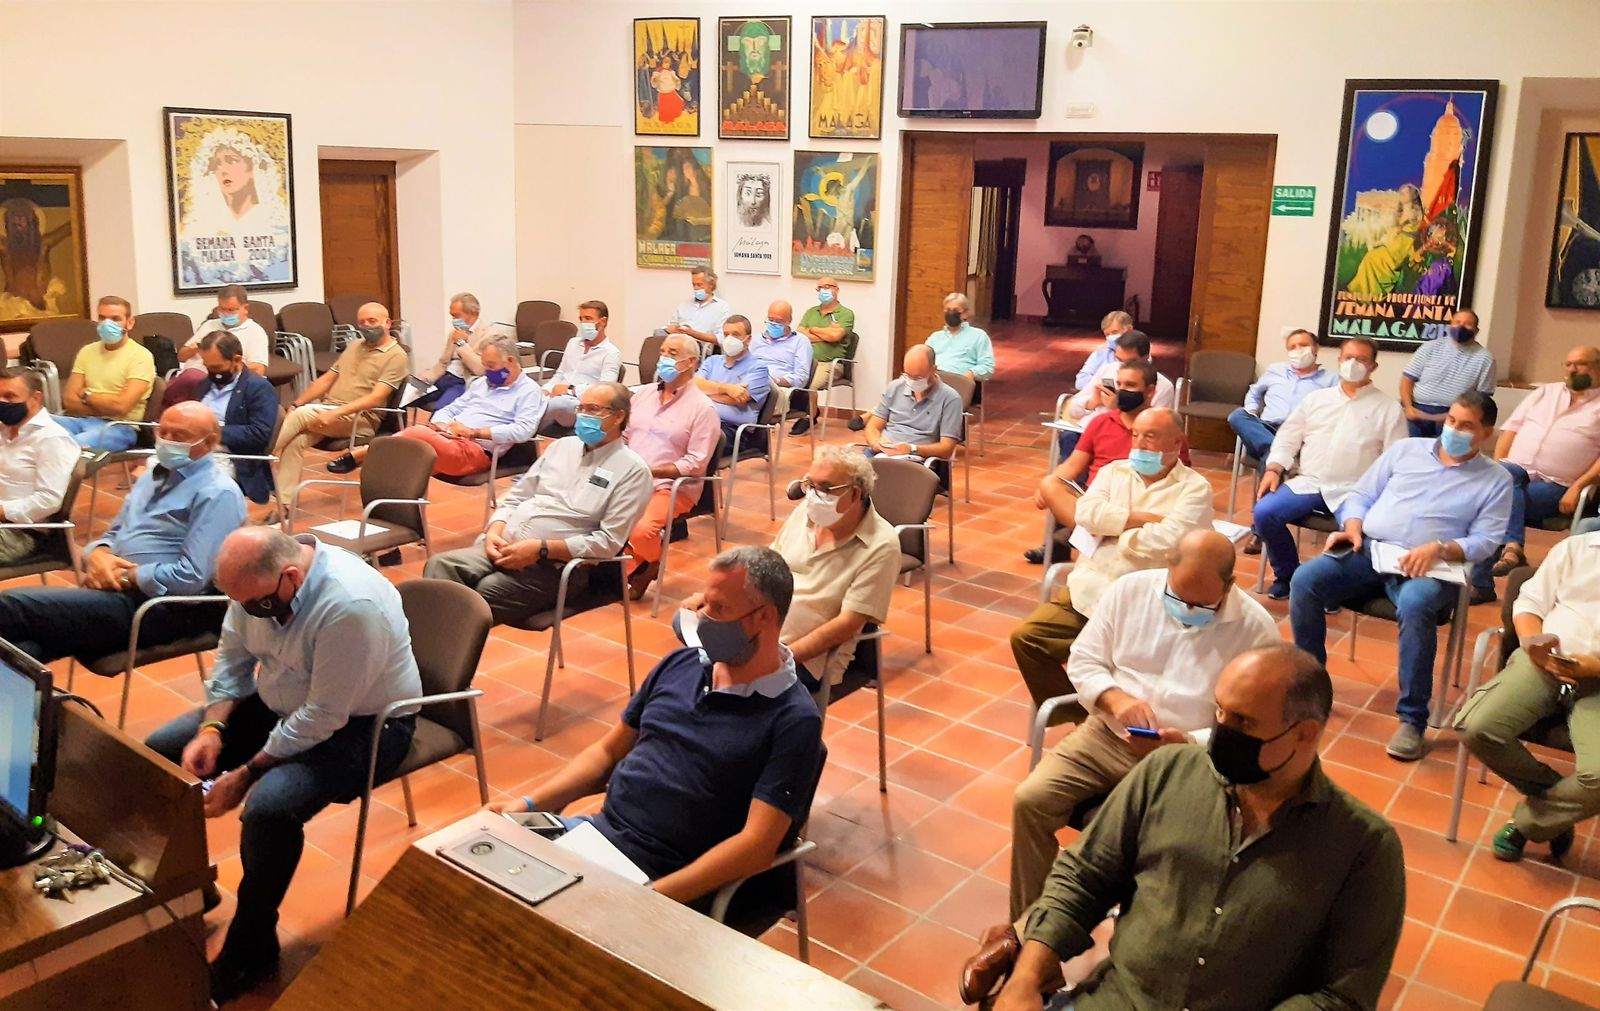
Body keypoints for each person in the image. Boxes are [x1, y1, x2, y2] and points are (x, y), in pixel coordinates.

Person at [965, 644, 1404, 1011]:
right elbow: (1084, 876)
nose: (1222, 730)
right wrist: (1026, 978)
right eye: (1219, 711)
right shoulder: (1167, 772)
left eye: (1243, 722)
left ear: (1305, 734)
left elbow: (1342, 996)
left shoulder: (1363, 848)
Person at [144, 527, 422, 1001]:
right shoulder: (254, 587)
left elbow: (324, 715)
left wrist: (248, 773)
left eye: (255, 603)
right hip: (287, 700)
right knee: (161, 751)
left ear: (291, 576)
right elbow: (231, 662)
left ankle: (251, 947)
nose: (247, 610)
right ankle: (190, 885)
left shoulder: (350, 605)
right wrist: (212, 729)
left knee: (269, 809)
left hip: (370, 724)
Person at [490, 547, 823, 908]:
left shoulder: (794, 720)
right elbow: (607, 753)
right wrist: (525, 805)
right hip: (596, 840)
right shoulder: (681, 664)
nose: (704, 619)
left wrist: (650, 900)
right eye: (704, 604)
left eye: (719, 609)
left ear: (763, 617)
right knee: (477, 869)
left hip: (664, 879)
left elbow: (756, 846)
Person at [1008, 531, 1279, 930]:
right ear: (1168, 567)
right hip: (1108, 738)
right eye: (1178, 597)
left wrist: (1189, 741)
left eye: (1201, 605)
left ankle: (1141, 943)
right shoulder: (1129, 591)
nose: (1186, 611)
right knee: (1030, 801)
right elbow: (1084, 659)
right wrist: (1114, 699)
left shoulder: (1256, 631)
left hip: (1189, 761)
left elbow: (1253, 724)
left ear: (1230, 585)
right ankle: (1026, 935)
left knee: (1163, 845)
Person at [1290, 392, 1513, 761]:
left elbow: (1486, 541)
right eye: (1451, 420)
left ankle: (1412, 719)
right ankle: (1310, 691)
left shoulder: (1496, 479)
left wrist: (1440, 548)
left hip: (1433, 566)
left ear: (1486, 433)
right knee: (1305, 580)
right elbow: (1361, 494)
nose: (1453, 430)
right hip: (1373, 550)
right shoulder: (1406, 450)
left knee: (1414, 602)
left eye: (1466, 426)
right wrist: (1353, 526)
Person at [0, 402, 244, 663]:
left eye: (180, 436)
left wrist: (126, 577)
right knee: (21, 649)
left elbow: (192, 577)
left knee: (10, 607)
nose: (166, 440)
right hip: (116, 594)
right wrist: (97, 555)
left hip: (166, 608)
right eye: (163, 432)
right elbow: (114, 533)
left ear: (210, 442)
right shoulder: (152, 477)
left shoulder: (218, 493)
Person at [1012, 410, 1216, 709]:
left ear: (1177, 442)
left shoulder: (1195, 488)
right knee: (1027, 639)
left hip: (1142, 606)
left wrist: (1112, 532)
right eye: (1136, 435)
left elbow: (1169, 541)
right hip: (1089, 592)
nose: (1140, 444)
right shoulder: (1113, 472)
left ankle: (1111, 714)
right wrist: (1141, 519)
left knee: (1126, 671)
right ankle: (1085, 715)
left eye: (1150, 436)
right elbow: (1086, 514)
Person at [423, 382, 652, 626]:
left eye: (593, 409)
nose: (584, 415)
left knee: (477, 596)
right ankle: (428, 646)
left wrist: (541, 549)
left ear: (618, 417)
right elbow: (517, 496)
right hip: (504, 544)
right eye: (581, 408)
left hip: (556, 566)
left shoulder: (633, 471)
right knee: (440, 567)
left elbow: (608, 542)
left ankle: (440, 644)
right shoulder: (562, 447)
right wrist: (494, 530)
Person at [679, 447, 899, 689]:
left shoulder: (881, 545)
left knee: (707, 681)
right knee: (685, 622)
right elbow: (763, 568)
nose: (813, 496)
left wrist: (779, 659)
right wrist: (712, 601)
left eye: (825, 488)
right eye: (810, 485)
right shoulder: (805, 512)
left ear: (855, 493)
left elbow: (847, 625)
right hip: (755, 631)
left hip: (802, 659)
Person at [1457, 529, 1600, 862]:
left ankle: (1527, 823)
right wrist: (1533, 644)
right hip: (1544, 663)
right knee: (1476, 726)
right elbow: (1529, 603)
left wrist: (1594, 666)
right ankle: (1557, 808)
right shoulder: (1576, 548)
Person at [1252, 337, 1407, 597]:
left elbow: (1396, 461)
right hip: (1310, 482)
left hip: (1356, 491)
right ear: (1339, 360)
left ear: (1374, 366)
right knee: (1265, 513)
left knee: (1359, 535)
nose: (1353, 364)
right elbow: (1288, 437)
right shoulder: (1316, 399)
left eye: (1361, 359)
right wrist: (1274, 468)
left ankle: (1332, 588)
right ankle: (1288, 576)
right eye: (1348, 358)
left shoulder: (1389, 409)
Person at [329, 336, 543, 478]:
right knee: (402, 460)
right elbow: (452, 408)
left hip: (475, 451)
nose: (486, 371)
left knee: (414, 437)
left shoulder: (529, 392)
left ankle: (362, 454)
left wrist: (475, 432)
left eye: (491, 366)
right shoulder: (481, 384)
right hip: (446, 436)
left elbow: (523, 431)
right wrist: (441, 423)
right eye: (485, 365)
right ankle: (390, 507)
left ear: (511, 361)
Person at [271, 302, 409, 508]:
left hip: (361, 419)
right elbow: (327, 379)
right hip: (330, 412)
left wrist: (335, 413)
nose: (366, 326)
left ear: (387, 323)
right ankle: (284, 507)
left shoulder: (396, 356)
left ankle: (261, 458)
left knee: (301, 415)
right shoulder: (355, 346)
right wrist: (297, 403)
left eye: (372, 321)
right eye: (362, 322)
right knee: (295, 441)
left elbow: (375, 398)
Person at [1478, 345, 1600, 577]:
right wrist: (1497, 469)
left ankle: (1503, 556)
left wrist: (1578, 487)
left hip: (1559, 486)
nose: (1572, 369)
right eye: (1568, 364)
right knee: (1503, 481)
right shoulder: (1545, 392)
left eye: (1580, 364)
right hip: (1514, 472)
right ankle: (1512, 549)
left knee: (1497, 497)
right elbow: (1510, 431)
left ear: (1598, 368)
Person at [0, 366, 80, 563]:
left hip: (21, 533)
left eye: (10, 396)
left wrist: (2, 510)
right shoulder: (4, 430)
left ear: (35, 398)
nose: (2, 403)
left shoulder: (51, 439)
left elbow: (49, 500)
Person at [56, 295, 156, 452]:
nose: (107, 324)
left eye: (115, 319)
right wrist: (107, 406)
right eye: (102, 318)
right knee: (35, 427)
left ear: (129, 323)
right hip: (81, 420)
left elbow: (121, 407)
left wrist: (86, 395)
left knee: (68, 446)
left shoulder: (141, 356)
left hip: (120, 427)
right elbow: (69, 400)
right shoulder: (87, 351)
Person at [1227, 328, 1337, 464]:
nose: (1298, 350)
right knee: (1237, 415)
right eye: (1292, 347)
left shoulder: (1331, 379)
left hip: (1300, 435)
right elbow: (1254, 392)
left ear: (1316, 348)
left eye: (1303, 345)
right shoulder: (1275, 370)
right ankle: (1277, 454)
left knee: (1269, 458)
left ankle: (1273, 455)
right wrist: (1252, 410)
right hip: (1267, 428)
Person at [195, 332, 279, 505]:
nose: (212, 372)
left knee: (201, 485)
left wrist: (212, 433)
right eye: (207, 366)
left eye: (217, 367)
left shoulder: (258, 388)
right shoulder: (204, 384)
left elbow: (259, 433)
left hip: (230, 454)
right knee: (154, 471)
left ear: (237, 360)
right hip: (195, 446)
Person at [164, 284, 272, 407]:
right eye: (221, 309)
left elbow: (259, 369)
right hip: (188, 378)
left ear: (245, 308)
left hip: (217, 383)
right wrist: (192, 350)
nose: (225, 314)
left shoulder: (255, 332)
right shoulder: (209, 325)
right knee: (183, 382)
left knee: (191, 379)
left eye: (230, 310)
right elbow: (181, 357)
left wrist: (226, 365)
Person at [1399, 309, 1496, 437]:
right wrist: (1408, 407)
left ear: (1476, 330)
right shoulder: (1429, 347)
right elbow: (1407, 380)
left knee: (1446, 449)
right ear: (1450, 326)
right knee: (1411, 447)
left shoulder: (1485, 358)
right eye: (1457, 322)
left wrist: (1459, 415)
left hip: (1455, 415)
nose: (1461, 327)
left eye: (1468, 324)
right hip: (1417, 411)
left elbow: (1482, 398)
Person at [863, 344, 963, 462]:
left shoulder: (950, 399)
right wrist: (876, 443)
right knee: (853, 468)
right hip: (883, 453)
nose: (912, 381)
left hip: (918, 459)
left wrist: (912, 449)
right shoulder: (895, 387)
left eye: (919, 377)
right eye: (908, 375)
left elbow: (946, 449)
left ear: (934, 370)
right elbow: (873, 426)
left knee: (889, 470)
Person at [542, 299, 624, 429]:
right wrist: (545, 390)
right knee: (531, 396)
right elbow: (560, 374)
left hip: (581, 403)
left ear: (603, 322)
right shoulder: (573, 343)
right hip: (557, 396)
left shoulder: (611, 353)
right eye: (581, 319)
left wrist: (570, 390)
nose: (584, 323)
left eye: (588, 318)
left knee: (559, 404)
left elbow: (605, 389)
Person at [695, 314, 772, 451]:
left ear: (748, 339)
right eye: (726, 334)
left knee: (693, 441)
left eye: (735, 335)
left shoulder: (758, 367)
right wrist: (726, 389)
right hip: (701, 419)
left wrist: (704, 393)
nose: (729, 339)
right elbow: (693, 386)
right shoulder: (712, 361)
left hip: (732, 429)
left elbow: (737, 399)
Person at [791, 277, 856, 435]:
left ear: (836, 290)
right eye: (820, 288)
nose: (823, 291)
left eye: (828, 287)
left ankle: (809, 417)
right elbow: (800, 334)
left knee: (811, 385)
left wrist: (813, 329)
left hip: (831, 364)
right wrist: (826, 333)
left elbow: (835, 336)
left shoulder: (846, 314)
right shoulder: (811, 312)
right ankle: (798, 412)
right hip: (807, 362)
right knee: (788, 378)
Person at [412, 292, 492, 412]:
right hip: (444, 378)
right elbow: (443, 363)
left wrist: (461, 343)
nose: (454, 320)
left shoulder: (488, 335)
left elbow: (480, 369)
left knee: (441, 410)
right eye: (452, 316)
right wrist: (426, 377)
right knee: (408, 397)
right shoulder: (453, 333)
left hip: (463, 382)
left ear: (474, 313)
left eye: (457, 316)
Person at [749, 299, 814, 416]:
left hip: (778, 388)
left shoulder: (800, 341)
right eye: (770, 320)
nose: (773, 324)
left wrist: (776, 381)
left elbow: (801, 378)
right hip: (750, 382)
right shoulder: (756, 339)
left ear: (789, 321)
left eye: (779, 321)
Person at [925, 292, 995, 383]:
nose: (951, 313)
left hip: (959, 383)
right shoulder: (935, 337)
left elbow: (988, 366)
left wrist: (972, 373)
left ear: (965, 313)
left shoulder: (978, 336)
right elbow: (923, 359)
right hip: (934, 382)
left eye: (955, 310)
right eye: (948, 310)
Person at [663, 268, 733, 345]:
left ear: (711, 285)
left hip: (700, 346)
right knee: (658, 334)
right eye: (694, 284)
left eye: (699, 285)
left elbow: (721, 339)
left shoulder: (721, 307)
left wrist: (692, 333)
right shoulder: (684, 305)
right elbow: (671, 325)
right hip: (677, 343)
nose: (696, 288)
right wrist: (672, 329)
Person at [1071, 310, 1133, 395]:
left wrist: (1097, 381)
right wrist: (1108, 386)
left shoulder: (1140, 355)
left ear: (1129, 330)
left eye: (1114, 332)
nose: (1111, 337)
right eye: (1107, 334)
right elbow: (1080, 381)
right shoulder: (1099, 355)